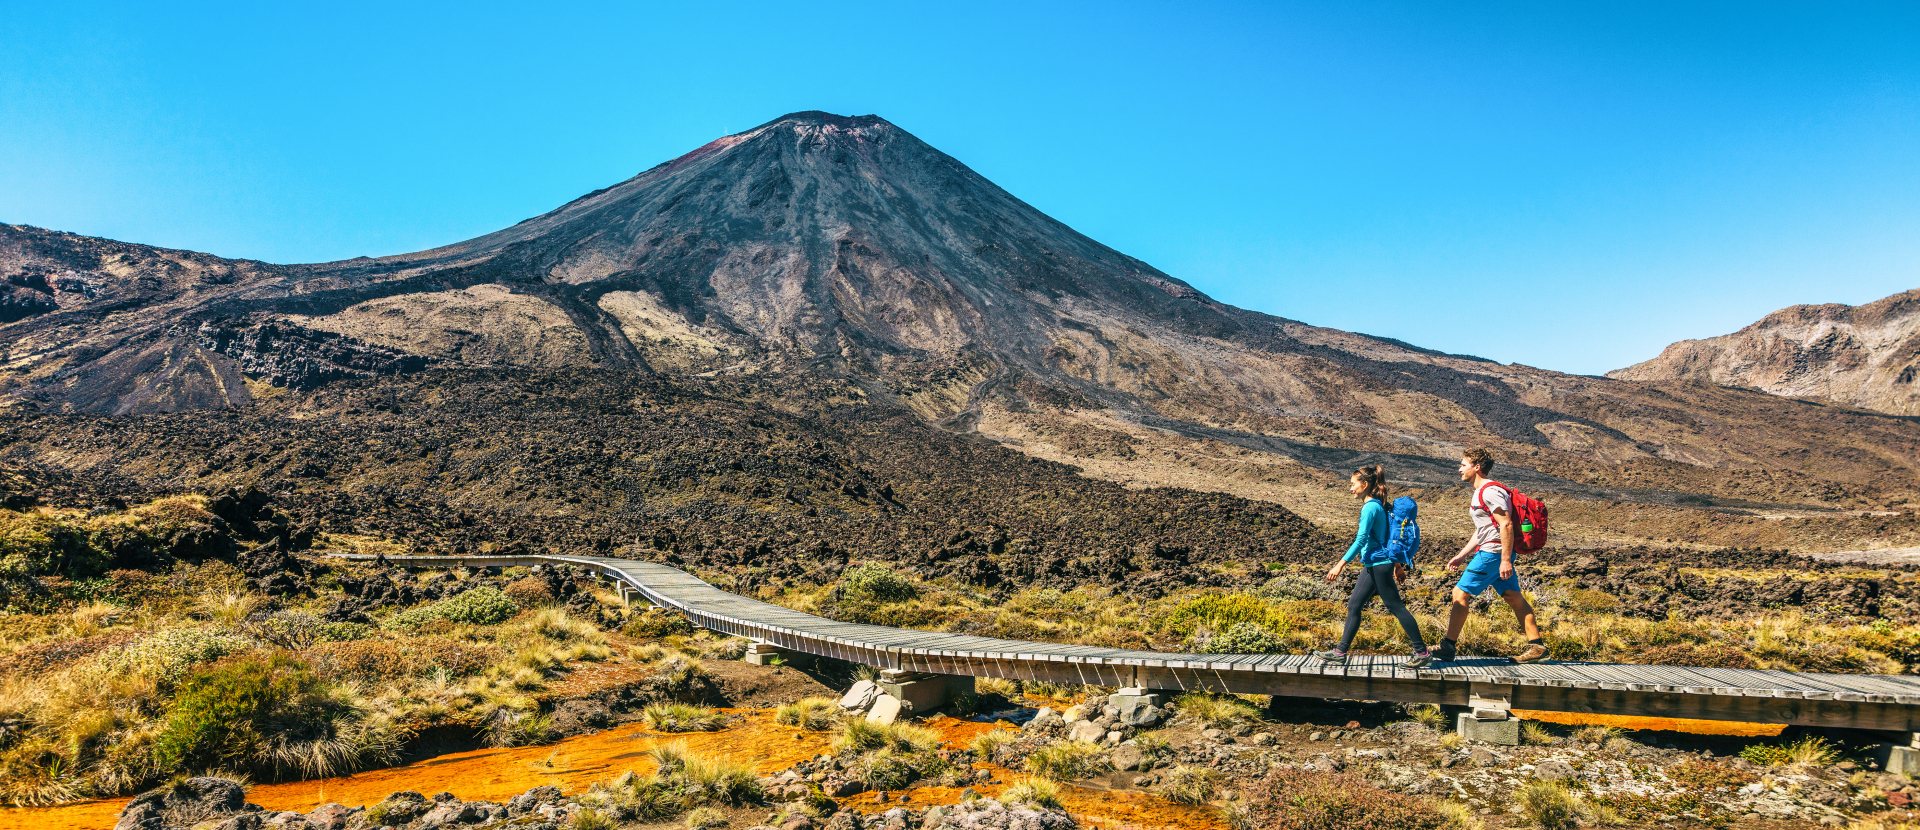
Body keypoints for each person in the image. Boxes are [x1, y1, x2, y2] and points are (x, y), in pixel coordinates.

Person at [1432, 448, 1547, 663]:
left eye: (1463, 464)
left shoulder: (1490, 491)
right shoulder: (1481, 492)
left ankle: (1448, 646)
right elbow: (1484, 529)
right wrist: (1461, 555)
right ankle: (1537, 647)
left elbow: (1506, 524)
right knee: (1513, 597)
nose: (1459, 469)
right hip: (1494, 551)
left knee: (1460, 594)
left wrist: (1504, 559)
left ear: (1477, 467)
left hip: (1493, 553)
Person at [1313, 465, 1432, 668]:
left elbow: (1361, 540)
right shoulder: (1379, 505)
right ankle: (1340, 652)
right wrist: (1398, 566)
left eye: (1353, 484)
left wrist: (1339, 565)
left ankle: (1421, 652)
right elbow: (1386, 539)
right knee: (1354, 606)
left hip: (1378, 565)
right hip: (1375, 564)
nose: (1350, 488)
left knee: (1395, 606)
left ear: (1365, 484)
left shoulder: (1370, 507)